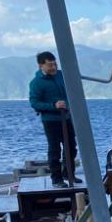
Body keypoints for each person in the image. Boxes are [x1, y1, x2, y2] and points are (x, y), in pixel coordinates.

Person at [29, 51, 80, 188]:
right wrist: (53, 106)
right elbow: (34, 103)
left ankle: (68, 174)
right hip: (51, 120)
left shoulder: (61, 75)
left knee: (71, 148)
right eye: (50, 65)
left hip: (67, 117)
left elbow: (71, 91)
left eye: (55, 64)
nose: (53, 67)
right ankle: (56, 179)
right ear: (41, 66)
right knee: (55, 150)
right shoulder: (36, 83)